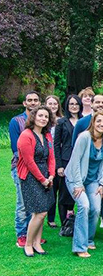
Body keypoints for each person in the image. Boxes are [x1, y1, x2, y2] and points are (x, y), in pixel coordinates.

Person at [65, 112, 103, 257]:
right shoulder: (84, 137)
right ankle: (79, 247)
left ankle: (89, 239)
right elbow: (75, 162)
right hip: (75, 178)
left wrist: (101, 184)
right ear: (93, 122)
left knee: (96, 209)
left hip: (93, 181)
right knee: (84, 206)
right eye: (99, 121)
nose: (102, 124)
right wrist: (78, 184)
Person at [17, 106, 55, 257]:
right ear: (34, 117)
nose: (43, 118)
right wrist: (43, 179)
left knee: (43, 212)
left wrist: (51, 176)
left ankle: (37, 243)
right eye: (40, 115)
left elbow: (51, 157)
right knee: (39, 212)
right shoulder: (26, 135)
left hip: (46, 175)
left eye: (46, 116)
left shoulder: (47, 135)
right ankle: (28, 244)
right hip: (31, 177)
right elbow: (28, 161)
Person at [9, 91, 42, 248]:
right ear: (25, 103)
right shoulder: (16, 121)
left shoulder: (42, 122)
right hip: (21, 168)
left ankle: (33, 235)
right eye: (30, 100)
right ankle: (21, 234)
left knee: (35, 202)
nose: (33, 102)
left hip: (38, 169)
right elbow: (16, 148)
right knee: (23, 202)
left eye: (35, 100)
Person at [53, 95, 81, 231]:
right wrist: (59, 165)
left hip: (81, 161)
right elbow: (56, 144)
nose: (74, 106)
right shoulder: (61, 122)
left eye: (76, 104)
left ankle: (76, 221)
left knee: (79, 191)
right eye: (71, 104)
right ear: (67, 106)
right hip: (65, 160)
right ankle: (65, 224)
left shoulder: (84, 121)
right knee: (64, 194)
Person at [44, 95, 63, 228]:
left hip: (60, 158)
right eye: (50, 103)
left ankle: (65, 216)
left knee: (60, 188)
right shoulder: (43, 121)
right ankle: (50, 217)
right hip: (46, 159)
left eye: (55, 103)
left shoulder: (62, 120)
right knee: (50, 189)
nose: (52, 106)